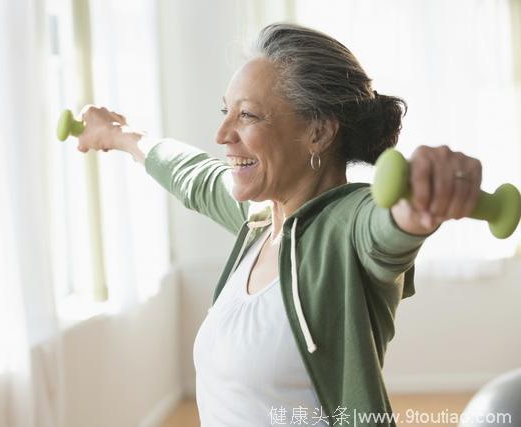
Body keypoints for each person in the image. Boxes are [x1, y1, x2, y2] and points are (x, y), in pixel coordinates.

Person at [74, 23, 482, 427]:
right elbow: (192, 175)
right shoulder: (261, 220)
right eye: (225, 111)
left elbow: (383, 228)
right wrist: (120, 135)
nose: (221, 134)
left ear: (318, 132)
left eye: (247, 115)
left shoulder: (346, 227)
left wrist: (417, 208)